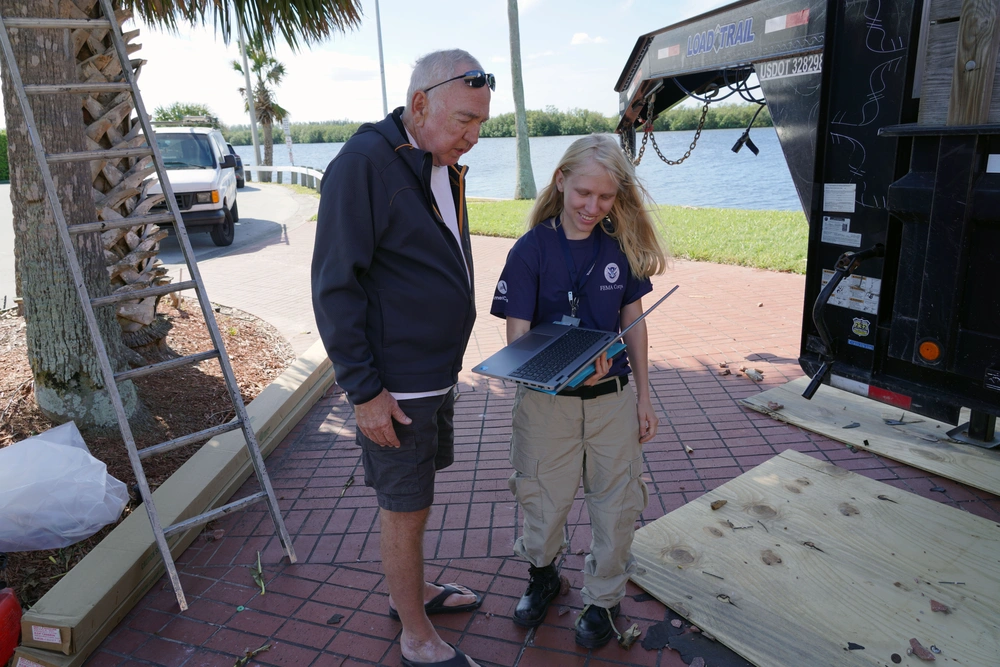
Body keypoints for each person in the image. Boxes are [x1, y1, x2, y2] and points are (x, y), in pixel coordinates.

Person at [312, 50, 493, 667]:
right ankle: (415, 634)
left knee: (418, 497)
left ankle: (409, 594)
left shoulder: (432, 159)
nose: (472, 138)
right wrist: (364, 394)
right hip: (397, 386)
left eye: (480, 125)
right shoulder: (364, 165)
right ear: (420, 104)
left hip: (433, 377)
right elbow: (335, 286)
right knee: (404, 506)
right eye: (464, 121)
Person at [490, 134, 667, 648]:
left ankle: (604, 600)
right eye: (583, 193)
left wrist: (644, 398)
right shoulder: (530, 250)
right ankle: (543, 576)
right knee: (542, 503)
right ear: (561, 181)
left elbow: (633, 323)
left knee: (617, 505)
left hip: (612, 402)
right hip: (547, 405)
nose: (593, 207)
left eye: (606, 197)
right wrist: (560, 372)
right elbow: (517, 339)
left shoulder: (620, 247)